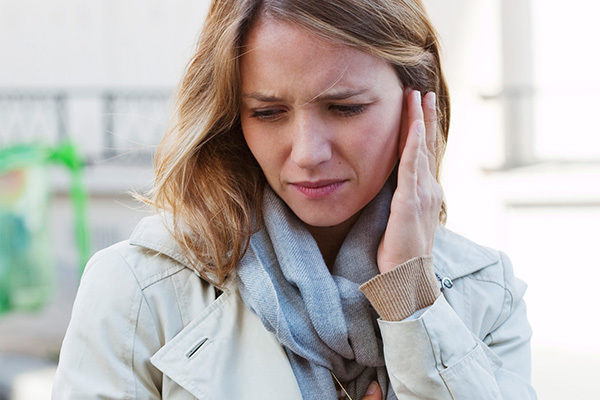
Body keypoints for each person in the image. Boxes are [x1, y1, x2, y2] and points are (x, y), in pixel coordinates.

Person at [52, 0, 537, 399]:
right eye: (268, 112)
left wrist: (408, 296)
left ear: (418, 102)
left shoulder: (487, 295)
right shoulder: (139, 291)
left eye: (345, 108)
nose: (307, 153)